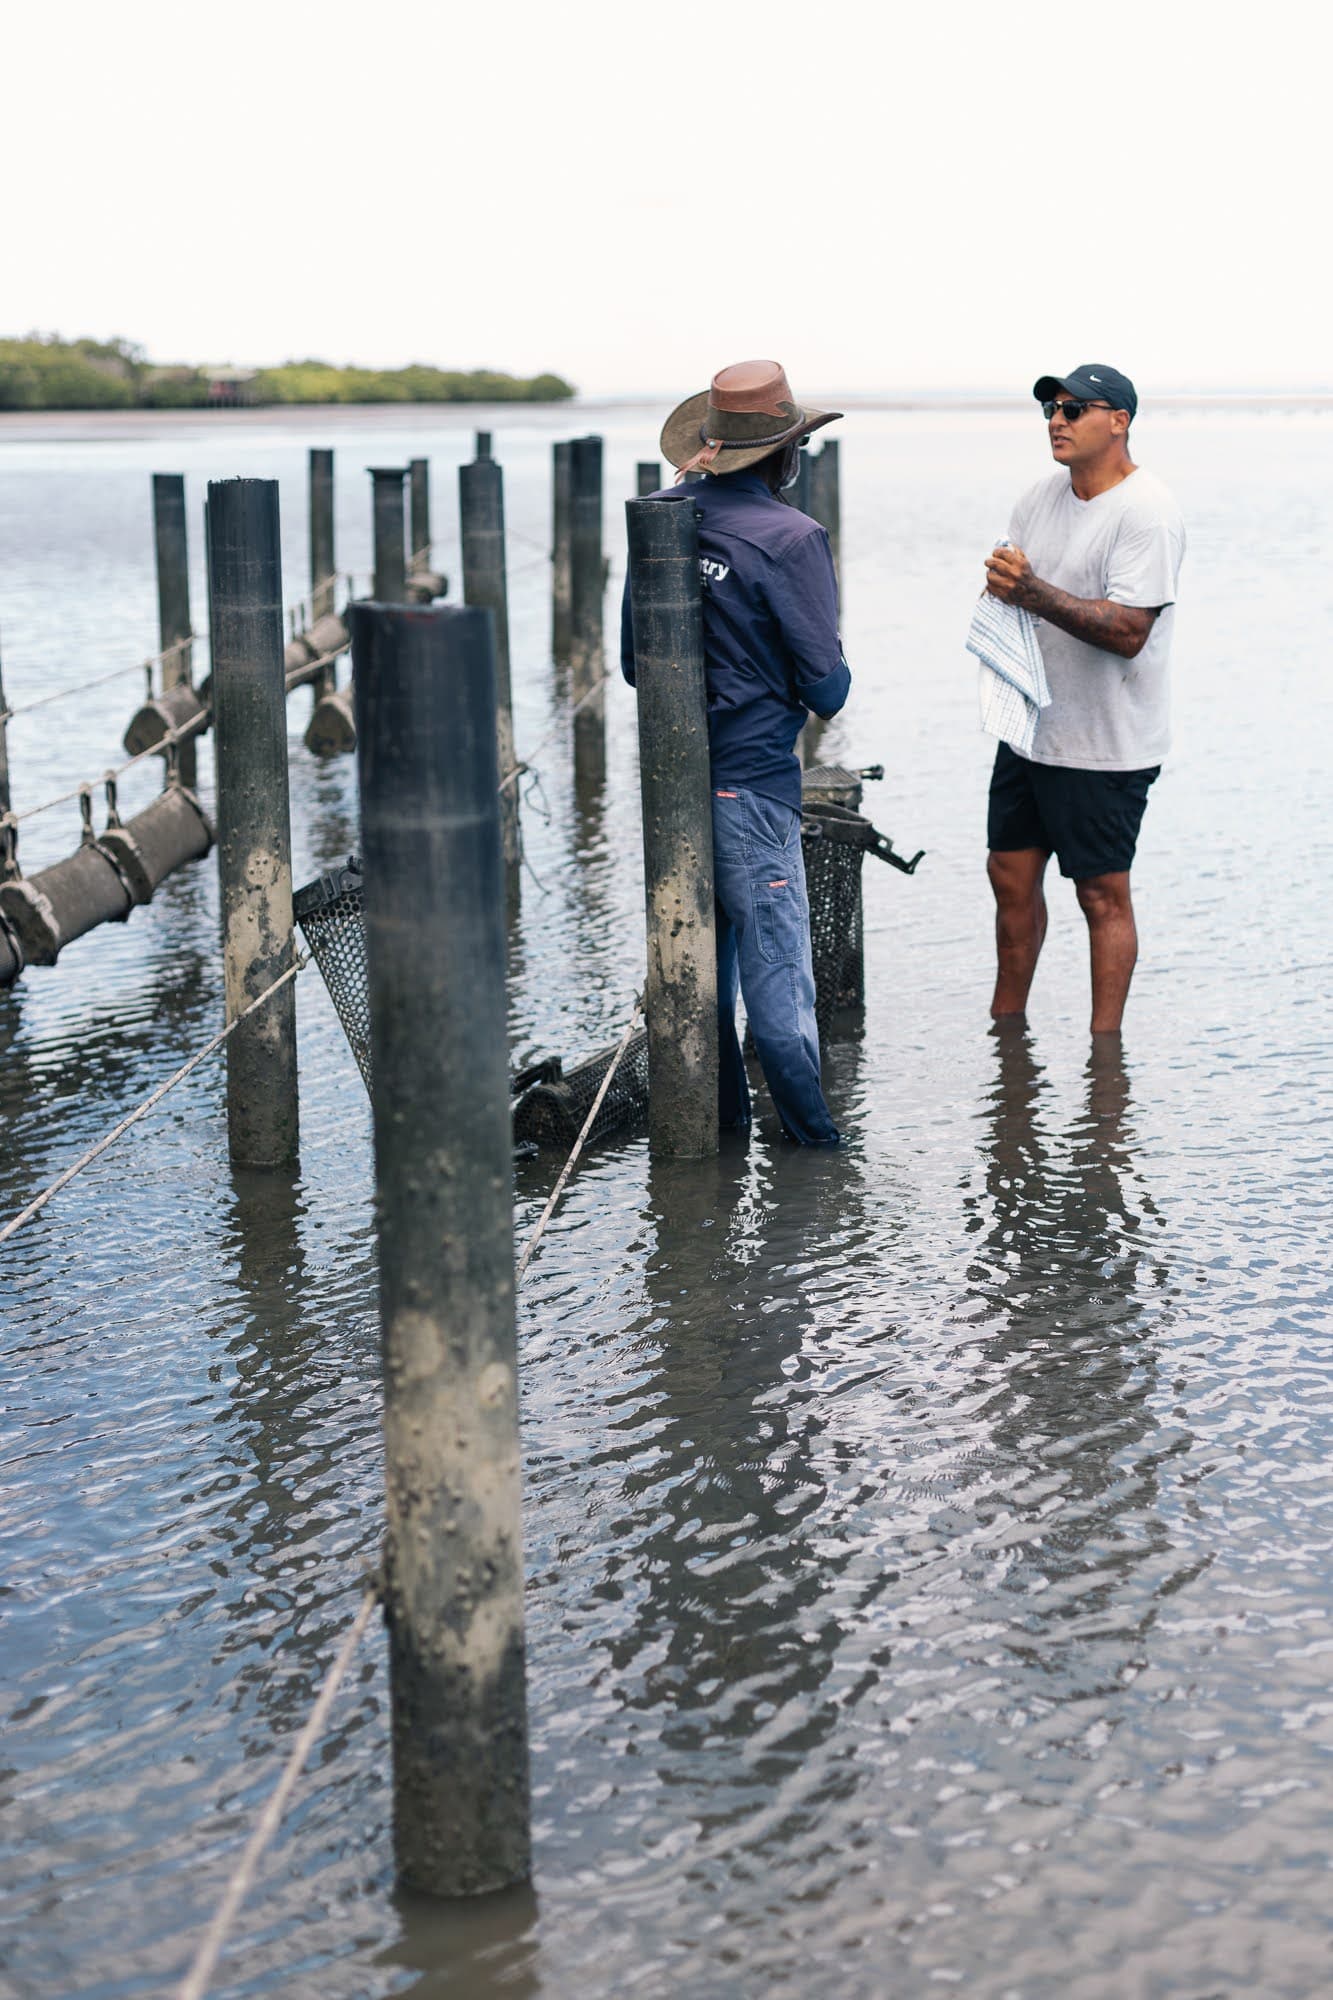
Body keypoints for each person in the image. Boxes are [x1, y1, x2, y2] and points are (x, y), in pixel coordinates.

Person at [621, 359, 850, 1145]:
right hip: (750, 786)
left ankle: (716, 1143)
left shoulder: (656, 518)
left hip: (672, 785)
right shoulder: (791, 537)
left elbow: (631, 664)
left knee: (698, 975)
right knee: (780, 980)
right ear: (787, 455)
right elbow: (828, 689)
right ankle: (817, 1152)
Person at [983, 363, 1185, 1035]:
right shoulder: (1038, 497)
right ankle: (1005, 1027)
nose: (1057, 421)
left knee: (1100, 895)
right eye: (1050, 410)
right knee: (1008, 876)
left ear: (1118, 421)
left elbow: (1128, 631)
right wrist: (1001, 592)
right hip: (1032, 729)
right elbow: (1017, 599)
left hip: (1106, 743)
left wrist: (1029, 590)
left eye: (1074, 409)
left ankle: (1105, 1053)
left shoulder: (1145, 513)